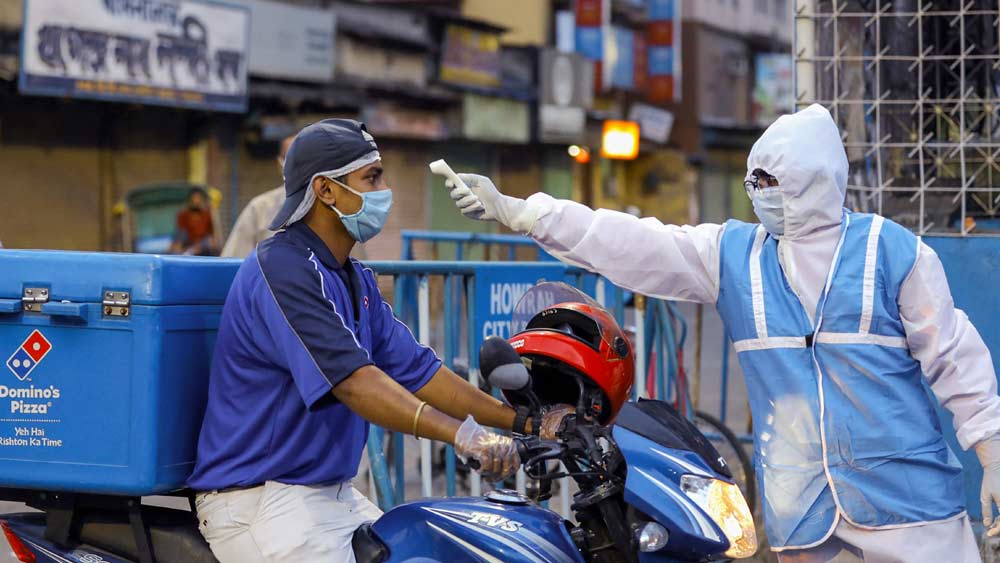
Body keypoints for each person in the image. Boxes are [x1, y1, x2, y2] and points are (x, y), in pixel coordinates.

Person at [445, 104, 1000, 562]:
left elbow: (955, 356)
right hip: (804, 515)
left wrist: (993, 449)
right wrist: (528, 213)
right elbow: (636, 243)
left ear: (815, 181)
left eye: (772, 181)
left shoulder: (894, 253)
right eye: (753, 180)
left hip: (909, 511)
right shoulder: (735, 253)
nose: (759, 191)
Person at [188, 119, 568, 563]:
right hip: (260, 502)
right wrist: (464, 436)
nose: (385, 190)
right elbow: (355, 383)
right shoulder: (284, 268)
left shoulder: (353, 277)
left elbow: (421, 373)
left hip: (328, 497)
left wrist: (525, 422)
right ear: (326, 190)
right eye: (372, 177)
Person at [221, 136, 294, 258]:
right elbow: (233, 264)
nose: (298, 166)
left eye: (306, 160)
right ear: (279, 163)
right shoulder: (259, 209)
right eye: (290, 158)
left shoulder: (331, 209)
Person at [169, 187, 218, 256]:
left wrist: (205, 245)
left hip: (203, 248)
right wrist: (178, 247)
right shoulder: (183, 215)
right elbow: (180, 235)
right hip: (187, 247)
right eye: (194, 198)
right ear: (189, 200)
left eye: (198, 198)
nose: (196, 201)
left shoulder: (207, 215)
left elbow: (212, 238)